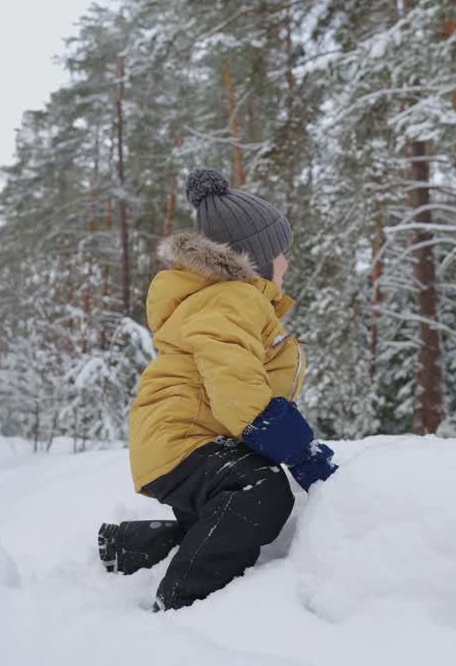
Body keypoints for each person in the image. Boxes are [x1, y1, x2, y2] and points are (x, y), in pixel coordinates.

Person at [99, 168, 338, 611]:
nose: (286, 263)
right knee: (259, 491)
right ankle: (183, 602)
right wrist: (297, 449)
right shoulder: (234, 299)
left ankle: (132, 548)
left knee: (216, 525)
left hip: (184, 437)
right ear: (258, 258)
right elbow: (234, 382)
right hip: (183, 439)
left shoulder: (231, 301)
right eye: (280, 253)